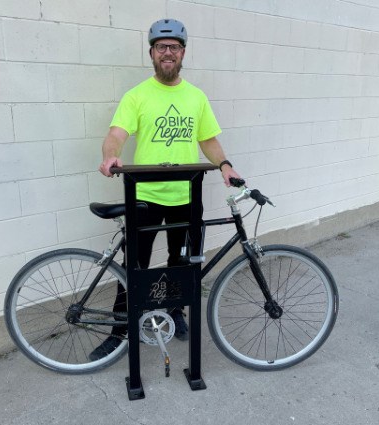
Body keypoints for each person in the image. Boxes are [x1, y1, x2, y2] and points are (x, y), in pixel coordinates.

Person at [90, 18, 242, 361]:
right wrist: (110, 156)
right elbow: (116, 134)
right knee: (134, 266)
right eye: (161, 47)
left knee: (182, 263)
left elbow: (208, 140)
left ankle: (175, 311)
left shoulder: (196, 97)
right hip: (145, 196)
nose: (168, 52)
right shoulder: (137, 96)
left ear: (183, 52)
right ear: (152, 53)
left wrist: (225, 165)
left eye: (174, 47)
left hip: (188, 197)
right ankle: (120, 330)